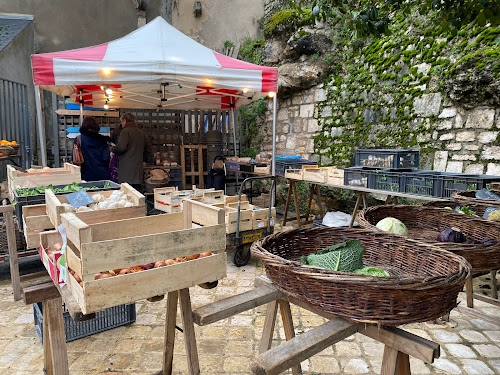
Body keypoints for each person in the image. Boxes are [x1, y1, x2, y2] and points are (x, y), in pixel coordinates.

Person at [110, 112, 151, 192]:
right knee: (137, 193)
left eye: (121, 122)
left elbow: (121, 148)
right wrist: (144, 160)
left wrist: (112, 149)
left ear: (125, 121)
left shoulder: (125, 132)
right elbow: (148, 148)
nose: (121, 124)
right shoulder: (141, 132)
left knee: (128, 193)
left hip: (127, 170)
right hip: (138, 169)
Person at [72, 116, 111, 181]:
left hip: (84, 174)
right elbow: (106, 158)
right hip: (102, 174)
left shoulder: (78, 140)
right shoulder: (103, 140)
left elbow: (73, 157)